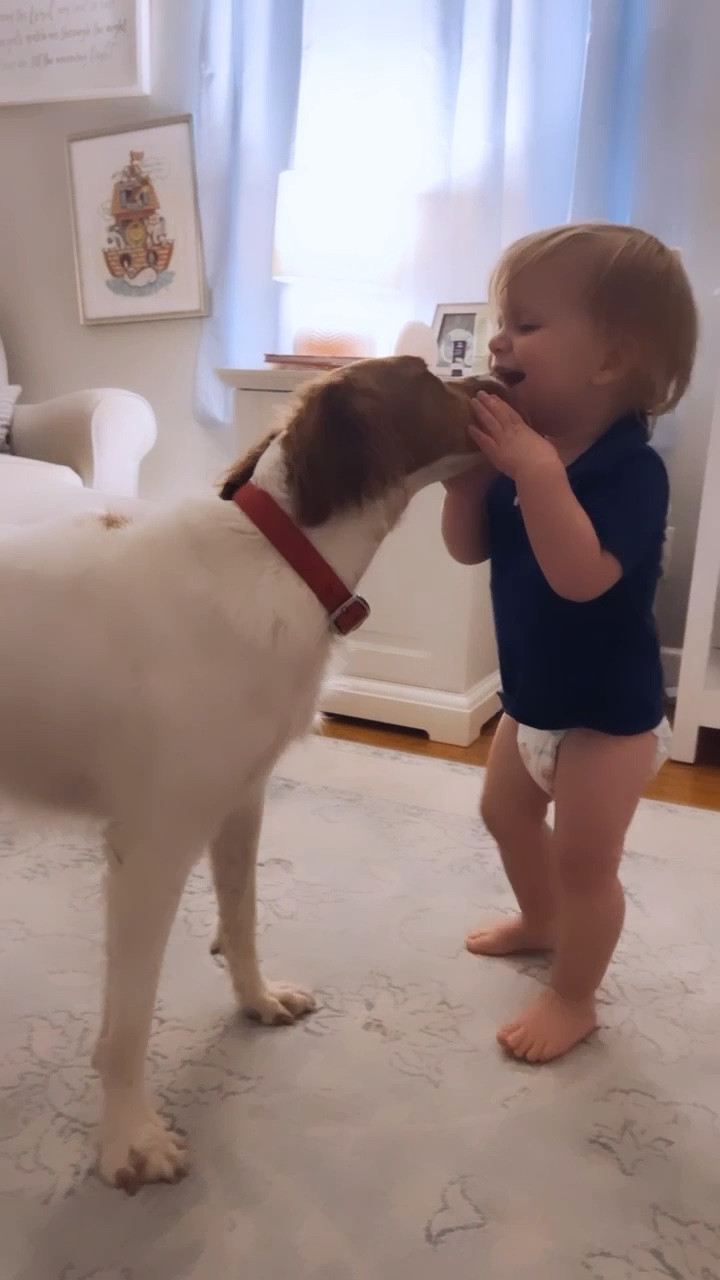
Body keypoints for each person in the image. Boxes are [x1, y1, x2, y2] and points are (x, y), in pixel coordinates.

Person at [441, 223, 697, 1063]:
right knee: (504, 811)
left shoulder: (632, 470)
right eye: (499, 322)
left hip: (608, 720)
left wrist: (537, 476)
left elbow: (581, 576)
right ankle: (540, 919)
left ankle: (576, 996)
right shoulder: (525, 455)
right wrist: (471, 480)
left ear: (609, 360)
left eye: (528, 324)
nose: (500, 340)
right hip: (534, 698)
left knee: (588, 862)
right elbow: (469, 549)